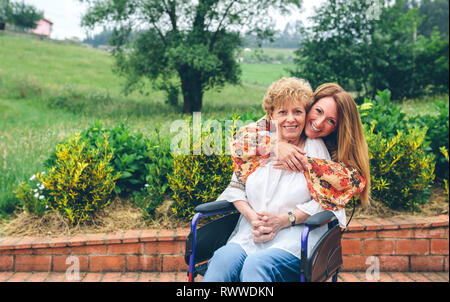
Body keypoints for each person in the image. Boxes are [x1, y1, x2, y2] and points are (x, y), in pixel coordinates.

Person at [202, 78, 367, 282]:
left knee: (257, 266)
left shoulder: (315, 151)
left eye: (297, 112)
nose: (291, 119)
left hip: (294, 239)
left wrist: (284, 220)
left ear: (304, 113)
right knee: (222, 260)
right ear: (271, 115)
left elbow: (325, 200)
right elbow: (235, 186)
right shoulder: (258, 145)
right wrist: (253, 218)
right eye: (282, 112)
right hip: (250, 233)